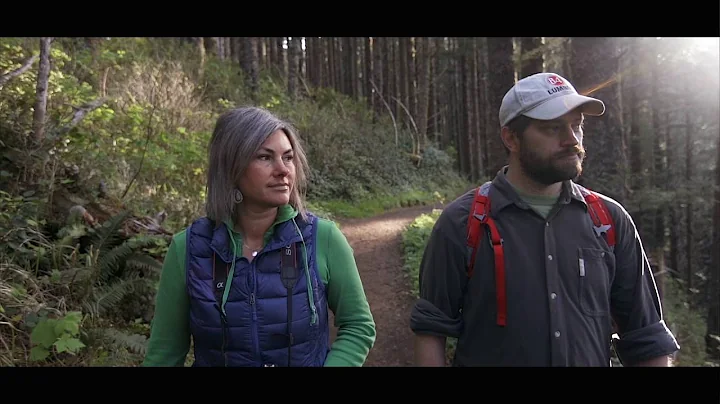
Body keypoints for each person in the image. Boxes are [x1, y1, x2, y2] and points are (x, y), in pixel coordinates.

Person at [409, 72, 680, 367]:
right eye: (553, 128)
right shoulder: (463, 223)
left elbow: (646, 336)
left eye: (576, 126)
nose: (571, 139)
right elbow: (431, 330)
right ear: (511, 137)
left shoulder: (609, 220)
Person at [143, 106, 376, 367]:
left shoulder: (323, 238)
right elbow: (164, 353)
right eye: (265, 157)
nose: (283, 170)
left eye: (288, 158)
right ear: (232, 167)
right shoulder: (188, 248)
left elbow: (358, 326)